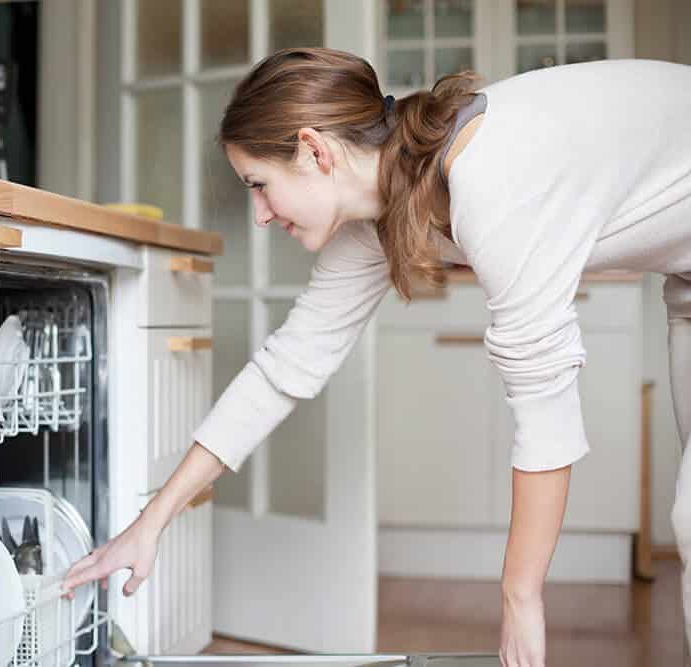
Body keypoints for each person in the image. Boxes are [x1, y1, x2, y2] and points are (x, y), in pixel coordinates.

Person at [62, 48, 691, 667]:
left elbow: (547, 414)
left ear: (315, 150)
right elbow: (285, 368)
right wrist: (150, 524)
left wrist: (520, 598)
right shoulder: (377, 213)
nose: (259, 214)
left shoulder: (495, 177)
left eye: (260, 185)